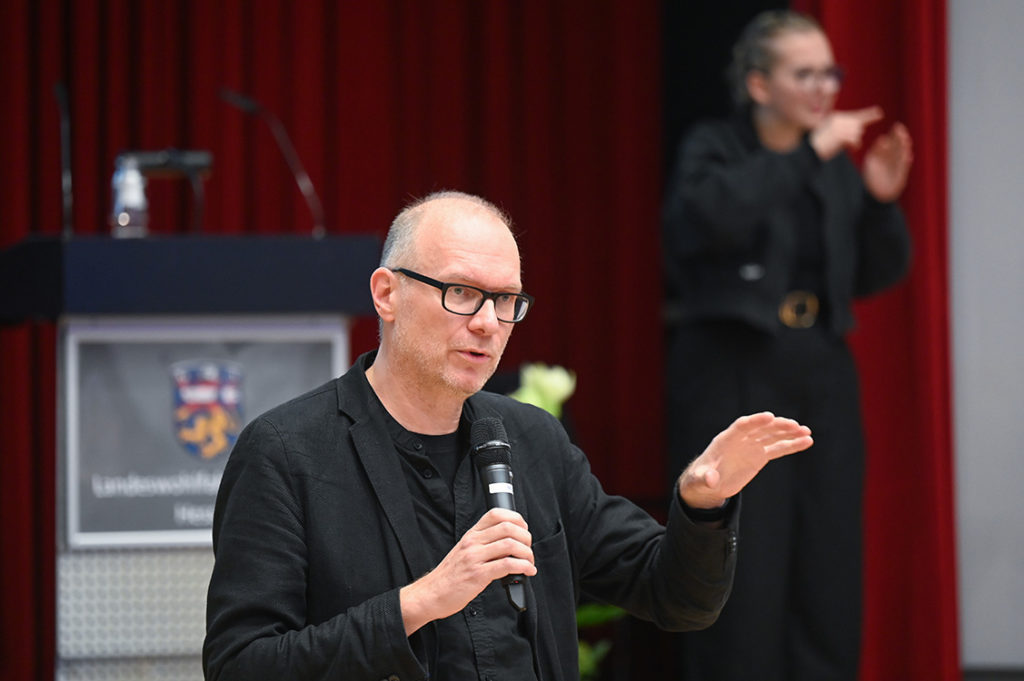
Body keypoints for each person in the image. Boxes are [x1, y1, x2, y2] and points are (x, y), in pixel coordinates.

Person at [203, 190, 813, 681]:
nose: (488, 323)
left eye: (506, 301)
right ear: (387, 294)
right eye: (462, 293)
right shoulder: (286, 451)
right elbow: (241, 665)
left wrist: (702, 504)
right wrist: (422, 601)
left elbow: (674, 598)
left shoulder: (532, 440)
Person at [662, 10, 913, 681]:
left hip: (820, 367)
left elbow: (872, 273)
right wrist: (806, 156)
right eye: (805, 74)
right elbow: (707, 220)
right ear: (759, 85)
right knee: (749, 556)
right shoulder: (716, 146)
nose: (825, 88)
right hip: (733, 368)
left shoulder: (831, 165)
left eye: (830, 73)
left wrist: (880, 202)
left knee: (828, 556)